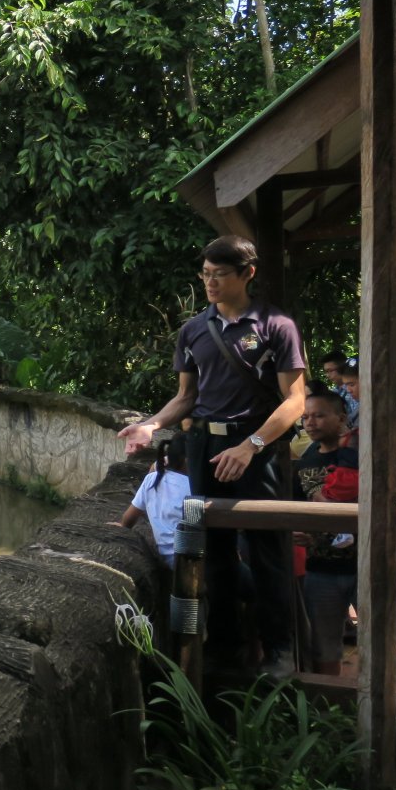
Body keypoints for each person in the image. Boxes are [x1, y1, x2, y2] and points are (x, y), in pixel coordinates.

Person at [118, 235, 306, 676]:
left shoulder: (276, 326)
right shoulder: (193, 329)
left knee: (267, 550)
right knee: (213, 551)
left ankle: (279, 652)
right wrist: (151, 424)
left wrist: (252, 445)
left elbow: (295, 400)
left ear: (248, 274)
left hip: (256, 446)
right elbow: (186, 397)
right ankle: (224, 646)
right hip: (205, 446)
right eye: (205, 274)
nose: (211, 282)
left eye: (220, 274)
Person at [292, 390, 358, 675]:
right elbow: (296, 508)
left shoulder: (362, 455)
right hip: (320, 568)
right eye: (306, 416)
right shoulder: (304, 462)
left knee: (389, 636)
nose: (310, 422)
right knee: (324, 643)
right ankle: (328, 709)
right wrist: (300, 532)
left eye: (319, 415)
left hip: (366, 565)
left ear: (340, 418)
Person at [113, 436, 190, 568]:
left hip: (168, 558)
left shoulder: (152, 479)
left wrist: (122, 526)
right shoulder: (193, 486)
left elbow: (129, 518)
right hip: (193, 559)